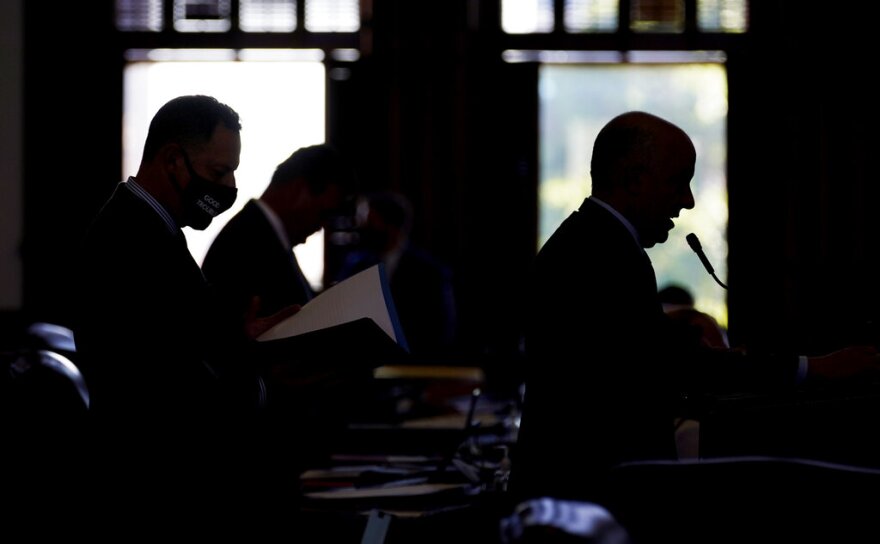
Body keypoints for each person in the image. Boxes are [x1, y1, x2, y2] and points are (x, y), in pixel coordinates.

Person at [509, 111, 880, 504]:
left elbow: (622, 350)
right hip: (583, 501)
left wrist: (674, 328)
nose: (687, 201)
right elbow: (670, 366)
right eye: (678, 181)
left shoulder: (589, 241)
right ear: (634, 179)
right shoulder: (604, 254)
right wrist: (814, 368)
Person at [72, 95, 299, 506]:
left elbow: (182, 335)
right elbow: (166, 381)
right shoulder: (132, 239)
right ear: (173, 159)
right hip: (152, 479)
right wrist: (264, 385)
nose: (229, 187)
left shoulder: (152, 226)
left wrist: (239, 334)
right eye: (219, 171)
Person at [201, 143, 359, 318]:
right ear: (298, 190)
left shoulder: (257, 236)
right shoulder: (249, 245)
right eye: (323, 213)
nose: (320, 227)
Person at [334, 190, 458, 361]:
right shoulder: (355, 266)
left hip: (413, 368)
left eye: (371, 220)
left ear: (392, 226)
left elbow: (439, 331)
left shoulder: (429, 273)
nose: (363, 226)